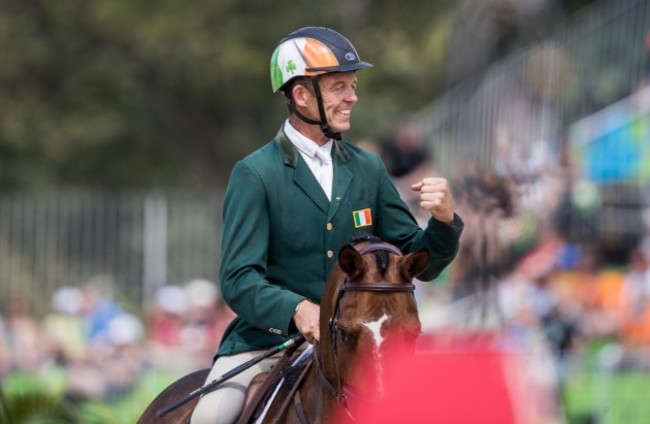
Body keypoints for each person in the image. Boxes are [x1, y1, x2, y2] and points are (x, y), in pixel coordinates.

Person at [190, 26, 464, 424]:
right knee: (210, 418)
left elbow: (418, 260)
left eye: (351, 86)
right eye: (338, 87)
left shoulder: (368, 168)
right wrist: (297, 309)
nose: (352, 97)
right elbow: (238, 277)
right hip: (269, 342)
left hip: (359, 345)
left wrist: (443, 221)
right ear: (301, 96)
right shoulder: (255, 173)